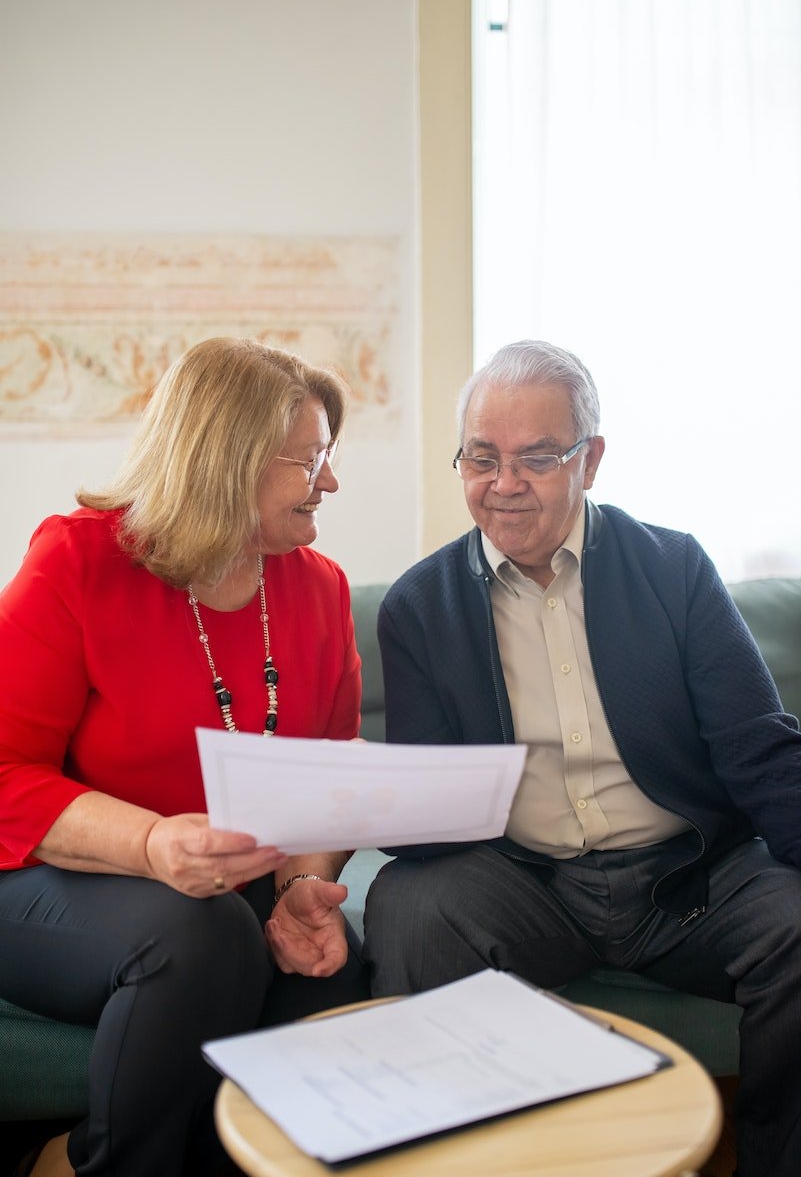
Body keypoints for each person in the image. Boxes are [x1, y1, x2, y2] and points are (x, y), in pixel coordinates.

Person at [363, 339, 801, 1177]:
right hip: (527, 885)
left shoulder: (673, 570)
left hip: (687, 884)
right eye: (480, 458)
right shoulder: (420, 606)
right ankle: (449, 1160)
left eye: (535, 458)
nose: (502, 484)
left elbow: (758, 750)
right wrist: (380, 807)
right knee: (411, 907)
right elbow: (428, 810)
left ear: (589, 460)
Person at [0, 337, 370, 1177]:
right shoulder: (78, 561)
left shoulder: (319, 588)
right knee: (198, 937)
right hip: (47, 876)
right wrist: (151, 846)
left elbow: (333, 768)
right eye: (310, 461)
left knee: (334, 964)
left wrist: (301, 887)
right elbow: (5, 775)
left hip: (222, 888)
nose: (332, 483)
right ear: (227, 461)